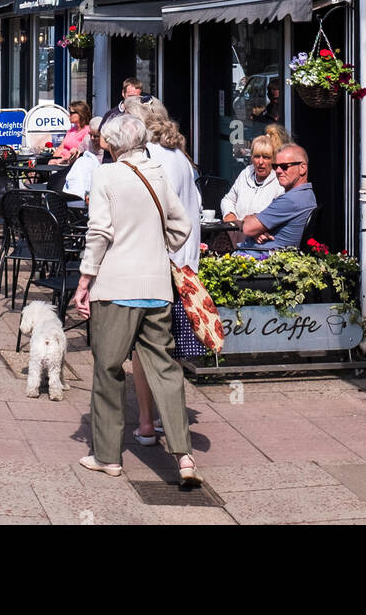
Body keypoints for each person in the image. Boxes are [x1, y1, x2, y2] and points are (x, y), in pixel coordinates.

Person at [71, 113, 202, 487]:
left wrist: (85, 279)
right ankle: (184, 456)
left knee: (108, 370)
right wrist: (159, 250)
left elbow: (98, 231)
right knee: (165, 368)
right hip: (156, 286)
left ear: (111, 144)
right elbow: (183, 225)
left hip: (115, 288)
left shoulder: (105, 175)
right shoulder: (158, 173)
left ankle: (108, 457)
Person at [124, 96, 203, 441]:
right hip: (182, 265)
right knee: (167, 347)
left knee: (146, 346)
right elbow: (195, 211)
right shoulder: (182, 159)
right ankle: (165, 420)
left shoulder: (148, 159)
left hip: (157, 264)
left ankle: (147, 421)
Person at [236, 143, 316, 258]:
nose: (278, 171)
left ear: (302, 168)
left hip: (257, 262)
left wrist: (252, 223)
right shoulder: (307, 194)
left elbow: (247, 228)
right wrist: (256, 228)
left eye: (284, 166)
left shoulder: (291, 200)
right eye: (275, 166)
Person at [221, 135, 283, 222]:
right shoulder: (245, 174)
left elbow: (279, 215)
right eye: (257, 156)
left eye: (266, 157)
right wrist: (230, 214)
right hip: (236, 232)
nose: (260, 162)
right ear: (251, 158)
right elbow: (228, 200)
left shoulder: (279, 183)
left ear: (273, 159)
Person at [62, 117, 104, 200]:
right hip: (85, 174)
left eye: (96, 136)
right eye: (90, 134)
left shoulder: (107, 144)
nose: (92, 138)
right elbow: (79, 153)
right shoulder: (87, 140)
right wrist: (75, 153)